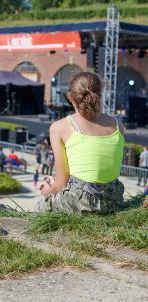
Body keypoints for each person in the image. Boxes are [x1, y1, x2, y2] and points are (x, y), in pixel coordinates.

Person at [35, 72, 125, 214]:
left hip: (83, 202)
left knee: (41, 207)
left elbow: (61, 184)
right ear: (100, 95)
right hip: (114, 199)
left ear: (71, 97)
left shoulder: (59, 127)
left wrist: (47, 189)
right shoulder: (118, 125)